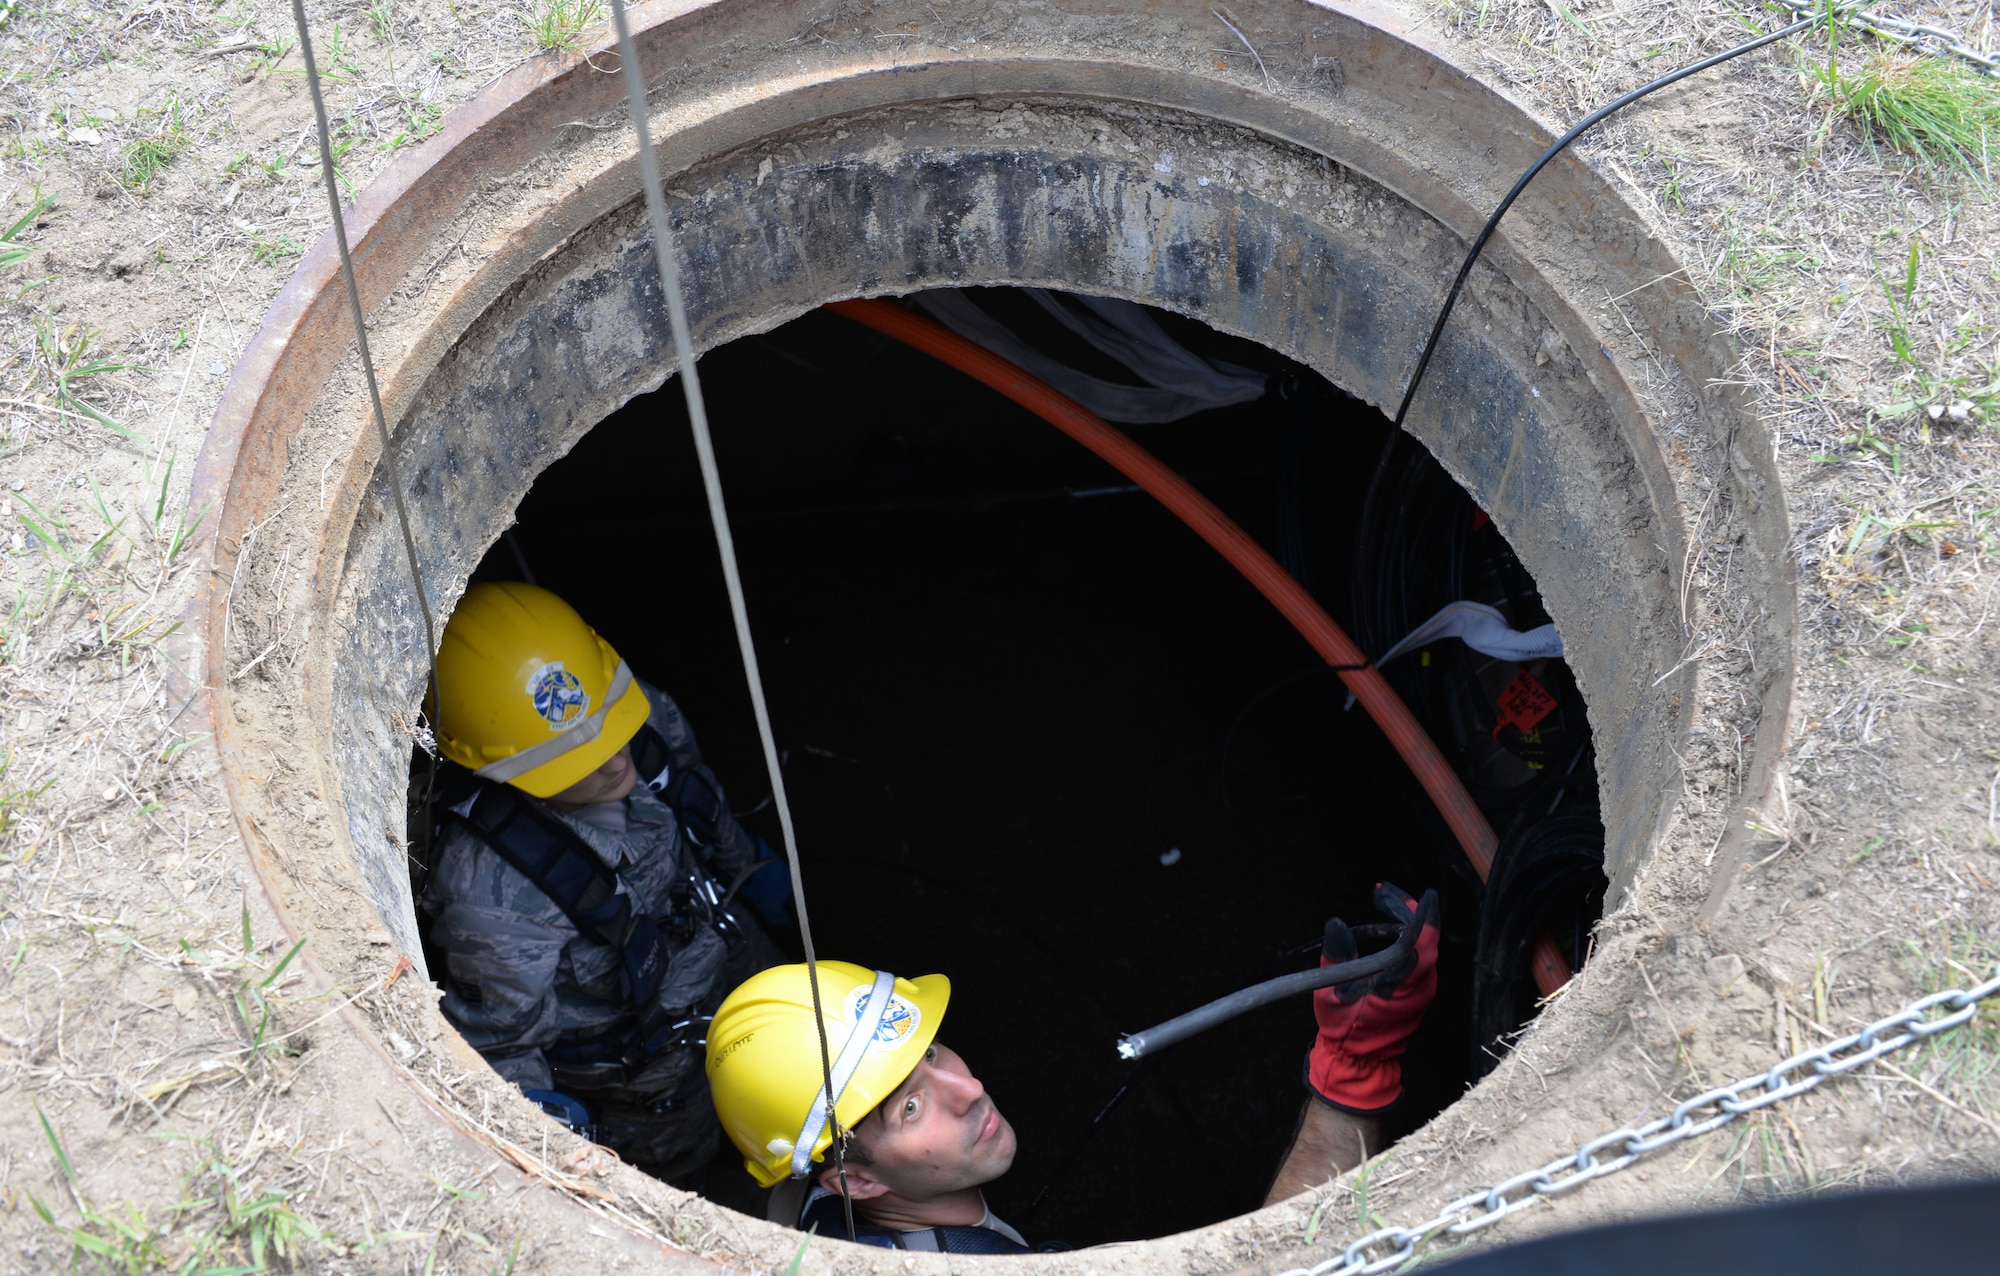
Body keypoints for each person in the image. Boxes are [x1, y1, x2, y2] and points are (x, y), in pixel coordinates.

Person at [704, 883, 1440, 1251]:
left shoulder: (815, 1215)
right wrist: (1352, 1071)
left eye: (931, 1054)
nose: (970, 1087)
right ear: (853, 1179)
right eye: (908, 1107)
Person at [422, 581, 787, 1183]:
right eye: (573, 758)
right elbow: (504, 1045)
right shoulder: (496, 895)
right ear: (497, 769)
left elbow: (698, 801)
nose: (616, 761)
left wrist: (759, 872)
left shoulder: (633, 716)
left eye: (610, 730)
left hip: (735, 956)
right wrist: (546, 1131)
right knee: (694, 1168)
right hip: (650, 1078)